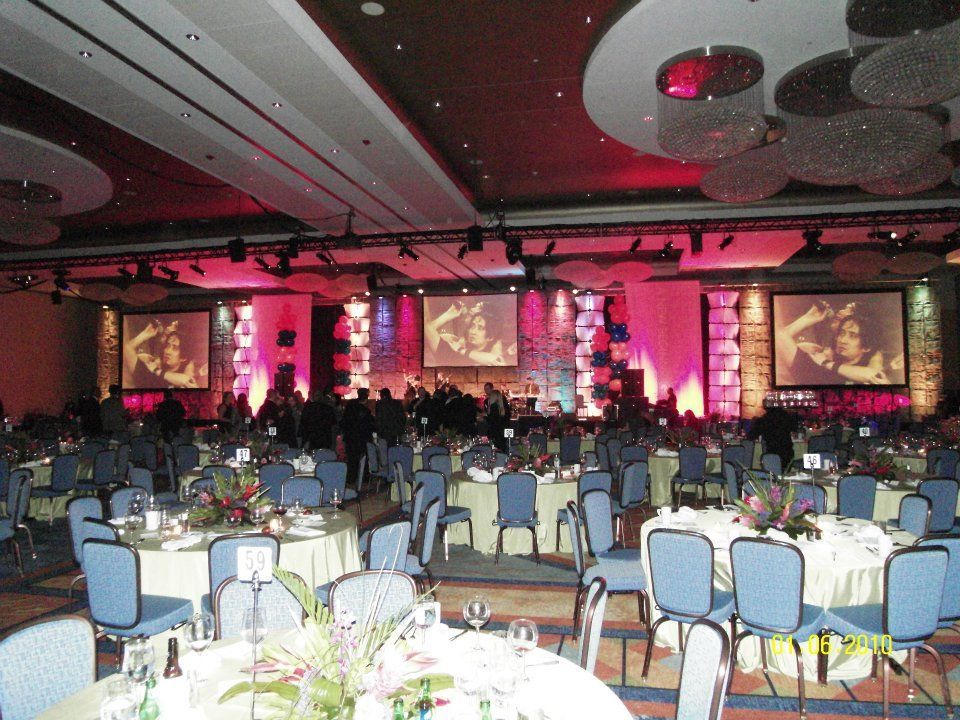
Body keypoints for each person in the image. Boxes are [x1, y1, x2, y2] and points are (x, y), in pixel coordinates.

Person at [776, 301, 897, 385]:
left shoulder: (874, 356)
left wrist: (826, 363)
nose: (840, 312)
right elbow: (777, 339)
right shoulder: (817, 350)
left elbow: (874, 374)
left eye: (849, 310)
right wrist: (807, 319)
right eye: (842, 333)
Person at [424, 300, 517, 366]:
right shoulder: (450, 341)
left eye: (478, 307)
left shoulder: (493, 348)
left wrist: (460, 350)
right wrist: (448, 315)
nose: (472, 309)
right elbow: (428, 329)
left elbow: (495, 358)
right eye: (473, 325)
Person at [122, 318, 201, 389]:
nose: (167, 351)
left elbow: (186, 379)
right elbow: (126, 349)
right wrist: (144, 335)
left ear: (183, 358)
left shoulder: (186, 377)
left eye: (175, 348)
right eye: (167, 345)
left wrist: (157, 371)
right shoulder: (149, 374)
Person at [341, 388, 375, 482]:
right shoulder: (365, 411)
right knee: (363, 459)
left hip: (350, 437)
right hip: (362, 439)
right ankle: (364, 478)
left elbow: (344, 422)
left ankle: (351, 478)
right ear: (366, 397)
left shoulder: (350, 407)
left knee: (352, 459)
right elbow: (371, 425)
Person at [747, 406, 796, 471]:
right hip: (787, 451)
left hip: (773, 452)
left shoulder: (765, 419)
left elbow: (751, 436)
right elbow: (795, 428)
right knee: (785, 474)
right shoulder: (786, 417)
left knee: (774, 476)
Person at [484, 382, 508, 451]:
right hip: (502, 430)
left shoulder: (493, 405)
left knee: (494, 448)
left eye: (487, 389)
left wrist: (485, 417)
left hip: (495, 431)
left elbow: (491, 419)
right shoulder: (501, 405)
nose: (486, 391)